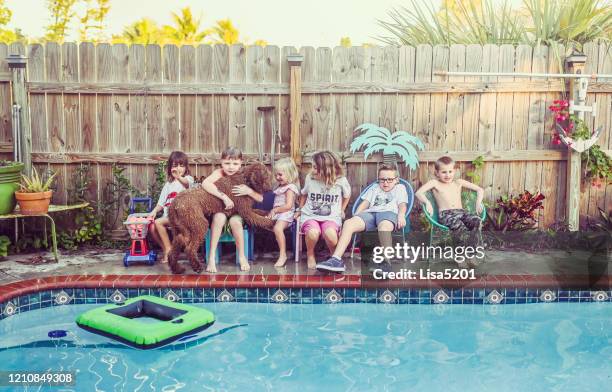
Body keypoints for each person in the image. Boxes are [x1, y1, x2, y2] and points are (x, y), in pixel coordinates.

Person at [317, 164, 408, 273]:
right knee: (349, 223)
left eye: (389, 179)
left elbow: (402, 204)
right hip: (371, 214)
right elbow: (365, 204)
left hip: (388, 214)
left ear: (396, 180)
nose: (385, 182)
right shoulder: (375, 188)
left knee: (384, 226)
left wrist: (401, 215)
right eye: (382, 180)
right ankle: (336, 259)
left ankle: (386, 264)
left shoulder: (400, 188)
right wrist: (356, 216)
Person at [202, 147, 263, 273]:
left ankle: (241, 256)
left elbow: (260, 198)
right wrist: (224, 197)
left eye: (235, 164)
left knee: (235, 222)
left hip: (239, 213)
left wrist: (249, 191)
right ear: (221, 162)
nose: (231, 167)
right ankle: (211, 257)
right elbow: (205, 183)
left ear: (241, 163)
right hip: (222, 209)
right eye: (227, 163)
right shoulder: (219, 173)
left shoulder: (245, 176)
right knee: (219, 217)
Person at [295, 151, 351, 270]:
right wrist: (300, 209)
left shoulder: (341, 181)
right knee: (313, 233)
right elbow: (304, 194)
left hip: (331, 217)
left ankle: (334, 256)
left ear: (326, 169)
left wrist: (342, 209)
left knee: (330, 234)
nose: (312, 170)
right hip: (310, 215)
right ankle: (310, 254)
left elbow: (347, 195)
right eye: (313, 167)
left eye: (315, 167)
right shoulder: (310, 178)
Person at [415, 155, 484, 232]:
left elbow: (480, 190)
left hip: (462, 213)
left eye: (450, 171)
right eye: (444, 172)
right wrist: (427, 202)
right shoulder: (435, 183)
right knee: (459, 226)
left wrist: (478, 202)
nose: (447, 175)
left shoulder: (458, 182)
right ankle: (466, 242)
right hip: (446, 215)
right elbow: (418, 193)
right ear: (437, 173)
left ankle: (473, 242)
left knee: (477, 221)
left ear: (454, 171)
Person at [148, 151, 194, 263]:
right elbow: (161, 203)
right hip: (169, 217)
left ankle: (169, 250)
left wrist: (178, 177)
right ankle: (166, 251)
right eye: (175, 165)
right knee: (152, 227)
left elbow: (187, 184)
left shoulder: (188, 179)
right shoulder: (168, 185)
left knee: (158, 223)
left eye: (181, 166)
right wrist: (154, 211)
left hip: (182, 216)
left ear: (186, 168)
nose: (178, 168)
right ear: (170, 168)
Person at [267, 158, 300, 268]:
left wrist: (275, 210)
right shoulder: (280, 187)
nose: (277, 177)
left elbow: (288, 206)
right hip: (278, 213)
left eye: (280, 175)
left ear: (290, 174)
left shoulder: (290, 188)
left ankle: (283, 255)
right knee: (265, 223)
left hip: (286, 214)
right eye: (276, 175)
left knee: (277, 229)